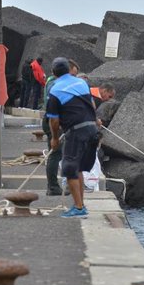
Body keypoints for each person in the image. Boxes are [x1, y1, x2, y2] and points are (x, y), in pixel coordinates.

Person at [45, 57, 99, 218]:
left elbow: (53, 120)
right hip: (92, 130)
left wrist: (54, 138)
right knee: (79, 168)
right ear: (69, 69)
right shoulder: (81, 83)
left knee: (69, 169)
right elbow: (92, 105)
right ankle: (81, 204)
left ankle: (79, 208)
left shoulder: (55, 90)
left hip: (76, 132)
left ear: (54, 73)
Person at [41, 59, 79, 197]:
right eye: (72, 75)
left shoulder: (53, 82)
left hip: (55, 120)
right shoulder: (54, 84)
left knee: (61, 153)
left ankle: (59, 185)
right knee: (55, 154)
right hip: (53, 121)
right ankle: (52, 186)